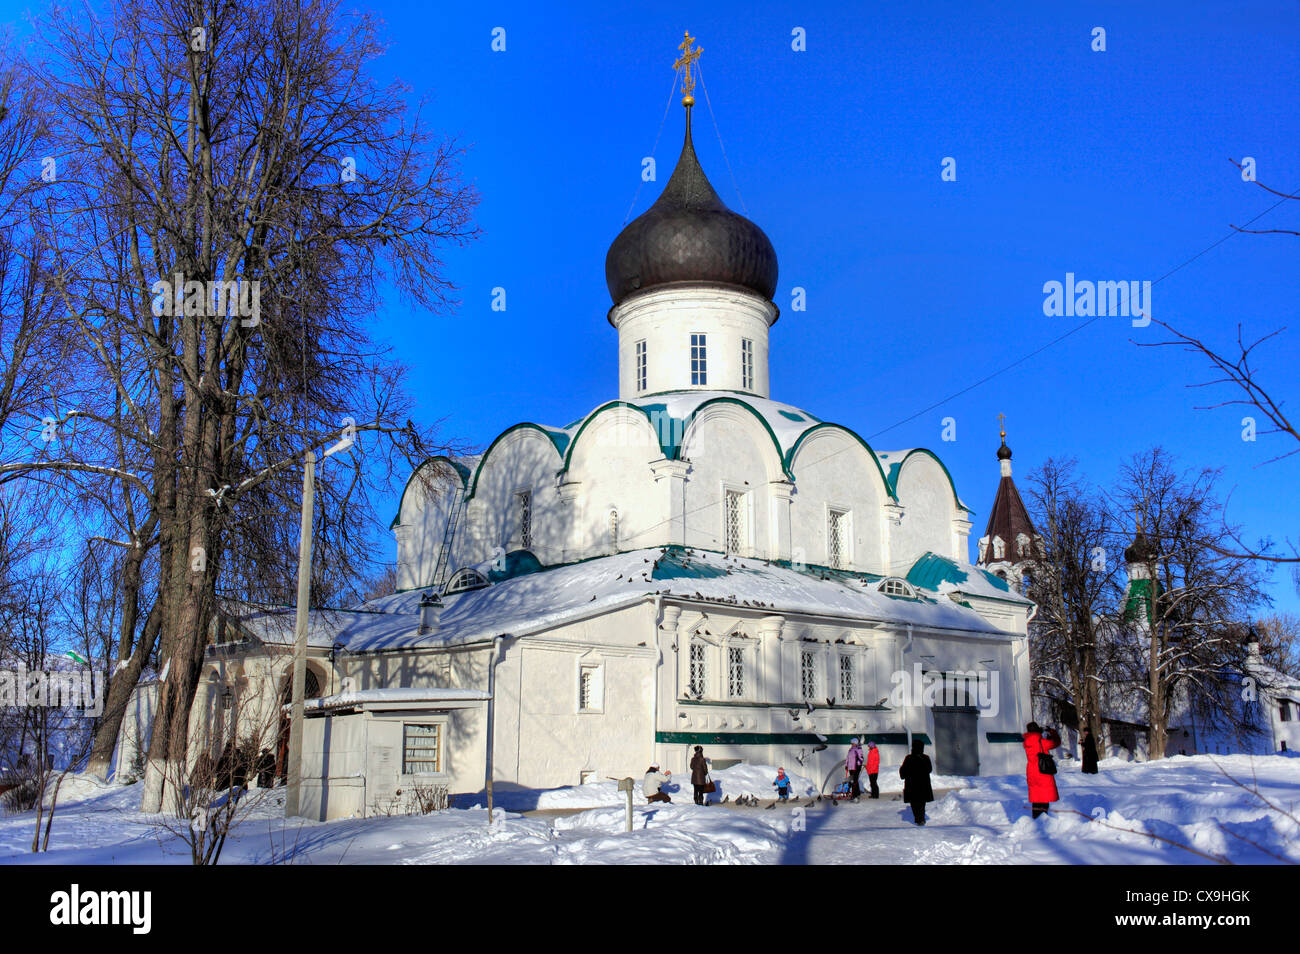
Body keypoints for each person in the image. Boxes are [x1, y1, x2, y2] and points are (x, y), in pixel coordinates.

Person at [1024, 721, 1062, 818]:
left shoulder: (1027, 742)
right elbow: (1056, 742)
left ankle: (1035, 818)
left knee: (1036, 797)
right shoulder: (1041, 742)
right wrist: (1052, 732)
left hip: (1031, 771)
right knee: (1044, 796)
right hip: (1042, 770)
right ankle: (1043, 820)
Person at [899, 739, 933, 825]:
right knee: (922, 803)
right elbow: (929, 769)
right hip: (923, 785)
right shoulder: (926, 758)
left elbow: (903, 771)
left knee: (914, 803)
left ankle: (918, 818)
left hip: (911, 785)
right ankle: (921, 818)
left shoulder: (909, 758)